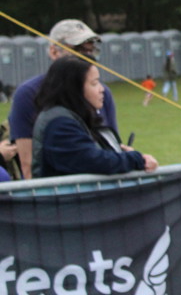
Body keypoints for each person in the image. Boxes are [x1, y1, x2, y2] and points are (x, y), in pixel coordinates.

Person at [8, 19, 118, 179]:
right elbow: (28, 164)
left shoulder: (102, 93)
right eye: (79, 50)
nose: (87, 57)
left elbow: (113, 147)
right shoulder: (28, 94)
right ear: (54, 52)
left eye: (91, 50)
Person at [31, 57, 157, 178]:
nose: (102, 89)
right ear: (74, 88)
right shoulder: (60, 124)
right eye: (94, 83)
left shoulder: (69, 117)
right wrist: (136, 159)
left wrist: (120, 153)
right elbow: (92, 160)